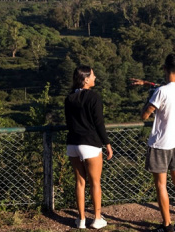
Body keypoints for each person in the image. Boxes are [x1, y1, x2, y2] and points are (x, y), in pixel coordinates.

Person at [136, 54, 175, 232]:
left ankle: (166, 225)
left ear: (164, 69)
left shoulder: (160, 93)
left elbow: (145, 115)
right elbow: (169, 88)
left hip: (160, 143)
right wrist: (147, 83)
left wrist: (148, 98)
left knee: (161, 185)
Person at [65, 65, 113, 229]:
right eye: (92, 75)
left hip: (72, 144)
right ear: (85, 79)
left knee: (80, 182)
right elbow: (99, 123)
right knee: (95, 182)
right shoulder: (93, 97)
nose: (95, 78)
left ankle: (82, 219)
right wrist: (107, 143)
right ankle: (97, 218)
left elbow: (68, 122)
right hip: (90, 144)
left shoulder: (69, 97)